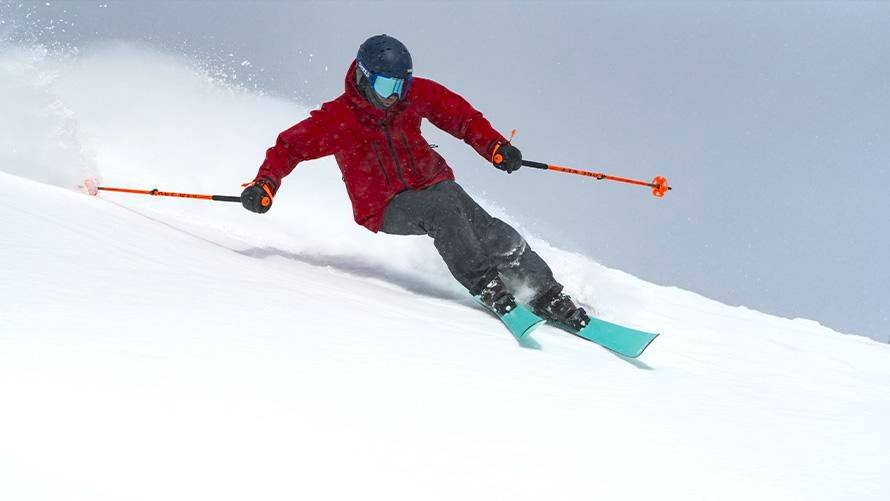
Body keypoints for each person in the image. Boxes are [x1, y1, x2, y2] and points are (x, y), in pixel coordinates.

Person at [241, 34, 589, 330]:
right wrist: (265, 184)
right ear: (363, 78)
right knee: (441, 211)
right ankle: (487, 286)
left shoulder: (413, 97)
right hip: (384, 206)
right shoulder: (339, 118)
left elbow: (461, 117)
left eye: (400, 86)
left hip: (433, 183)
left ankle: (546, 293)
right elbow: (289, 147)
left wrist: (495, 146)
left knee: (487, 228)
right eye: (385, 85)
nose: (393, 96)